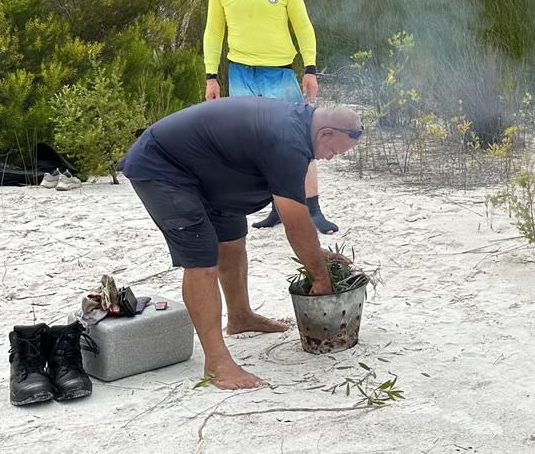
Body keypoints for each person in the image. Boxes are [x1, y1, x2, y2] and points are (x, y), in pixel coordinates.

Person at [120, 97, 364, 389]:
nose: (330, 157)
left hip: (211, 173)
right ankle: (216, 363)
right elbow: (294, 217)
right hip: (164, 170)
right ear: (325, 133)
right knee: (202, 260)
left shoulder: (296, 128)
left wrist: (315, 254)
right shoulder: (287, 140)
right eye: (334, 150)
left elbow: (295, 214)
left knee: (233, 238)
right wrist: (320, 275)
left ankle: (240, 316)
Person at [204, 0, 336, 234]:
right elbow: (213, 31)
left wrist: (310, 69)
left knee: (298, 141)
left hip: (279, 72)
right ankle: (278, 207)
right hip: (240, 72)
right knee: (258, 145)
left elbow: (303, 26)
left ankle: (312, 209)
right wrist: (211, 76)